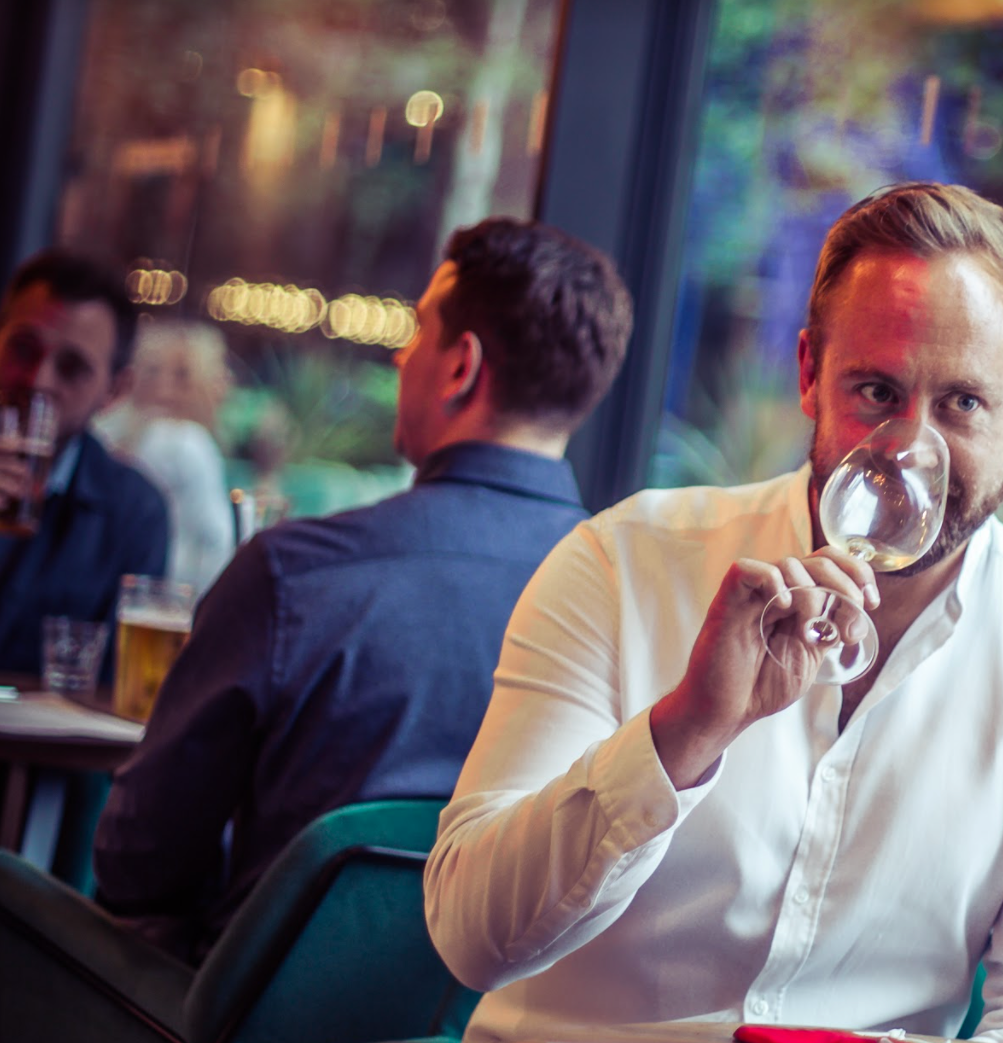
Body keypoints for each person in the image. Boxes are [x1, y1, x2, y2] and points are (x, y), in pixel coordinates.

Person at [322, 182, 1003, 1043]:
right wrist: (685, 732)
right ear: (809, 372)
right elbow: (471, 932)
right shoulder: (625, 564)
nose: (910, 448)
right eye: (874, 390)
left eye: (961, 404)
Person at [91, 218, 633, 963]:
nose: (399, 353)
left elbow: (137, 862)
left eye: (417, 331)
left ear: (460, 367)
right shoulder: (631, 606)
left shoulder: (295, 577)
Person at [0, 250, 168, 674]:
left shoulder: (134, 511)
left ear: (114, 391)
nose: (39, 381)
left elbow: (113, 689)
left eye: (72, 367)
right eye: (23, 348)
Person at [94, 319, 238, 594]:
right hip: (167, 604)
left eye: (181, 375)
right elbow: (218, 552)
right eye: (154, 372)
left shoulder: (106, 435)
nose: (164, 386)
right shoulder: (186, 443)